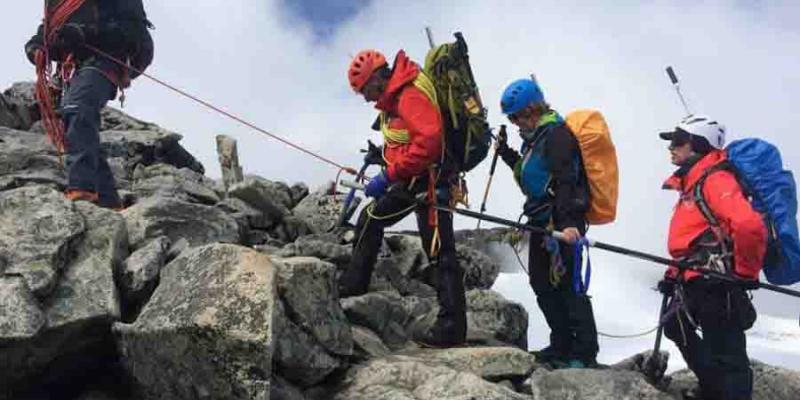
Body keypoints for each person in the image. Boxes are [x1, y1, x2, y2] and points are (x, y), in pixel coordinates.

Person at [339, 49, 466, 347]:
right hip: (417, 179)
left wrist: (389, 175)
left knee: (439, 250)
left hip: (430, 182)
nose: (367, 99)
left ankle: (451, 329)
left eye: (366, 91)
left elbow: (429, 144)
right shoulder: (397, 95)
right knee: (372, 218)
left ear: (377, 78)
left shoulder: (408, 96)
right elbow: (407, 140)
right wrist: (384, 160)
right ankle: (352, 286)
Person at [658, 115, 765, 400]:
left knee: (728, 355)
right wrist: (672, 274)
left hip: (717, 283)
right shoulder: (693, 182)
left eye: (679, 141)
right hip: (695, 279)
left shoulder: (716, 179)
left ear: (698, 145)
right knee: (674, 325)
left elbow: (749, 225)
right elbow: (692, 239)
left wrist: (745, 273)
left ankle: (726, 392)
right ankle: (715, 390)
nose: (672, 147)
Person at [496, 78, 599, 368]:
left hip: (562, 221)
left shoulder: (557, 136)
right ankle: (562, 343)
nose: (516, 123)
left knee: (568, 286)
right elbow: (532, 174)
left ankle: (583, 352)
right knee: (542, 282)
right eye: (512, 118)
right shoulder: (536, 138)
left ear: (532, 109)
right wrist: (505, 152)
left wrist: (569, 225)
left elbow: (566, 180)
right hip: (541, 220)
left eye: (517, 116)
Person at [25, 0, 154, 209]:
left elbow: (132, 30)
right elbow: (51, 29)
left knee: (77, 107)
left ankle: (81, 187)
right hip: (81, 62)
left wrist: (86, 34)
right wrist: (38, 43)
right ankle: (108, 200)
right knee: (76, 117)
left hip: (111, 58)